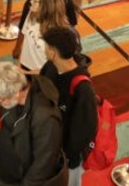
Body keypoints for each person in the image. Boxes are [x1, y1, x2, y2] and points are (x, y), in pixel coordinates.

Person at [0, 62, 68, 186]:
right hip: (11, 173)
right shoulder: (16, 93)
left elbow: (43, 164)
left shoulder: (44, 118)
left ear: (16, 93)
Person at [39, 27, 97, 186]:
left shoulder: (83, 89)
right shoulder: (50, 67)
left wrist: (65, 155)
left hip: (67, 159)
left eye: (46, 47)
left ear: (53, 52)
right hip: (50, 145)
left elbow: (85, 130)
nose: (44, 50)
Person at [15, 0, 70, 73]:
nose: (30, 2)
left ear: (46, 4)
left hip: (41, 75)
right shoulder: (32, 14)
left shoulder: (57, 31)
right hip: (24, 68)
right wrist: (19, 65)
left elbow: (55, 68)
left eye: (34, 0)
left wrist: (26, 73)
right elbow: (24, 41)